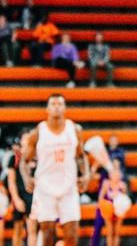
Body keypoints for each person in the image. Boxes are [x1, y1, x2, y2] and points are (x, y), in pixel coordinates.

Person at [20, 93, 89, 246]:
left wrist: (86, 174)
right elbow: (23, 161)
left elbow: (80, 155)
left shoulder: (74, 129)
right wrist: (26, 178)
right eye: (53, 104)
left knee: (71, 236)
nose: (57, 107)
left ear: (65, 108)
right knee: (48, 236)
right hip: (45, 188)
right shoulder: (38, 132)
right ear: (47, 109)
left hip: (69, 187)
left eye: (60, 104)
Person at [7, 130, 38, 246]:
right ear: (20, 142)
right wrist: (15, 198)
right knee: (18, 228)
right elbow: (11, 181)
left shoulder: (37, 157)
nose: (28, 140)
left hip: (33, 197)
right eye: (25, 138)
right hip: (19, 196)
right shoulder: (14, 158)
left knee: (32, 229)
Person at [98, 159, 128, 246]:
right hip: (109, 209)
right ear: (110, 175)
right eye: (114, 174)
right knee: (110, 232)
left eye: (117, 175)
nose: (116, 176)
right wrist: (102, 207)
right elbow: (101, 197)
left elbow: (125, 199)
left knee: (117, 232)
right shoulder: (106, 184)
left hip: (118, 210)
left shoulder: (122, 185)